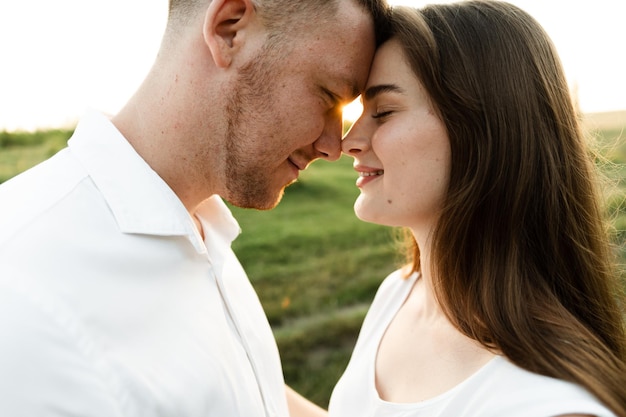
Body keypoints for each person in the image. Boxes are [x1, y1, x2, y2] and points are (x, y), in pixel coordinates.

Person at [0, 0, 390, 415]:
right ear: (229, 29)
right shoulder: (23, 295)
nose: (334, 146)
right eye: (328, 96)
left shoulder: (201, 225)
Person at [330, 2, 626, 416]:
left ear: (482, 130)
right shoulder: (398, 294)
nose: (349, 141)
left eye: (383, 112)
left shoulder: (552, 405)